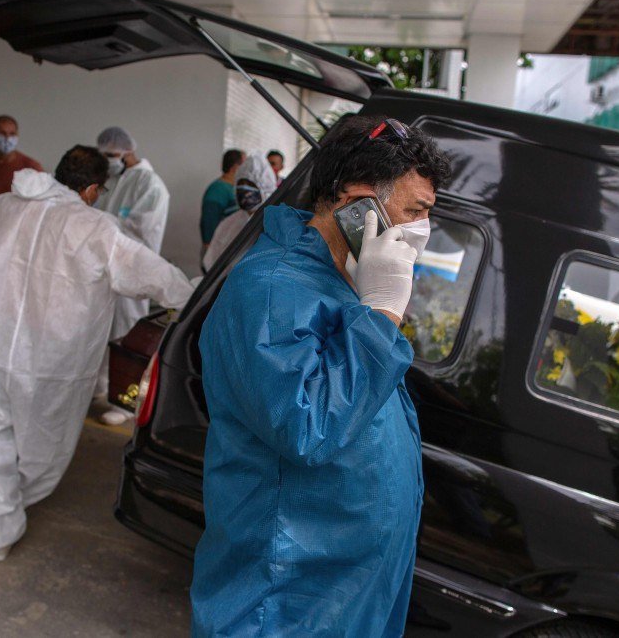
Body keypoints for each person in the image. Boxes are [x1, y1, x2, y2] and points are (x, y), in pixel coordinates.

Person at [190, 116, 451, 636]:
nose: (422, 230)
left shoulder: (343, 279)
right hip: (287, 600)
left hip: (343, 589)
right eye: (415, 211)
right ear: (358, 202)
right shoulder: (268, 290)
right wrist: (381, 316)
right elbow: (307, 426)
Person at [0, 146, 194, 562]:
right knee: (43, 448)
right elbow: (156, 276)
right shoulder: (95, 228)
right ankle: (11, 505)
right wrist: (196, 299)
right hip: (53, 363)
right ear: (91, 188)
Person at [93, 126, 171, 425]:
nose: (108, 160)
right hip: (105, 268)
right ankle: (100, 385)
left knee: (126, 335)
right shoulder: (113, 179)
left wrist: (102, 224)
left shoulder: (150, 185)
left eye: (111, 155)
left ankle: (126, 403)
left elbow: (143, 229)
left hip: (131, 270)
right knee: (100, 332)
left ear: (127, 152)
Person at [201, 154, 276, 272]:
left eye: (251, 185)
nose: (245, 192)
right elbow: (211, 263)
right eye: (241, 185)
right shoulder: (228, 224)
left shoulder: (276, 224)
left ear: (265, 188)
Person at [0, 115, 42, 199]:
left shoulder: (31, 166)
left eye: (12, 134)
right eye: (2, 133)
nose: (7, 138)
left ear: (17, 135)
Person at [200, 149, 245, 258]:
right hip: (217, 252)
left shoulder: (234, 188)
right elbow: (209, 221)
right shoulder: (218, 189)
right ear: (235, 167)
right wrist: (209, 251)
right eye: (245, 165)